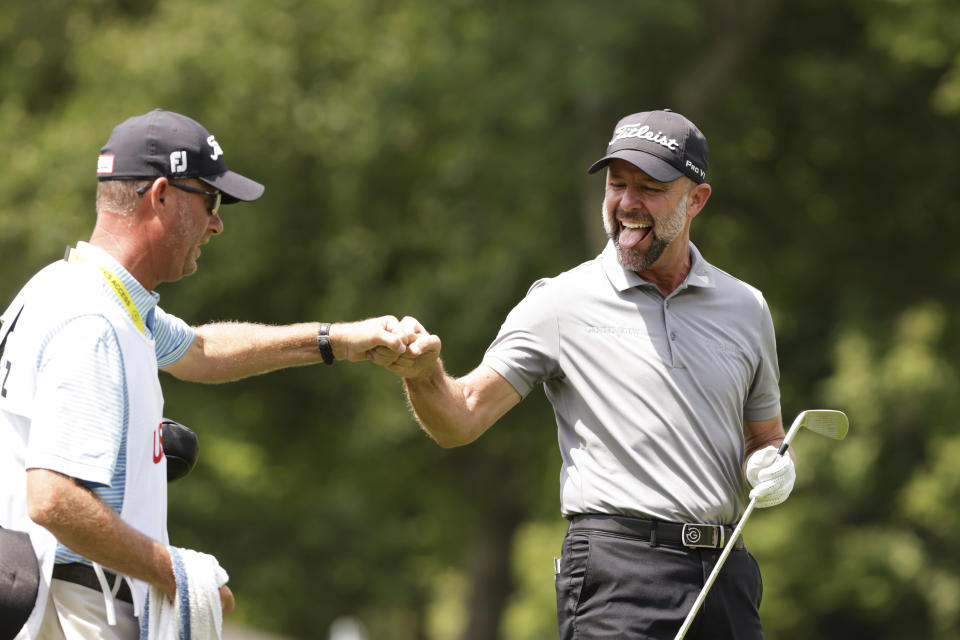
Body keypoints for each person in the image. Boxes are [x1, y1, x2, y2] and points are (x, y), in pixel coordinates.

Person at [384, 109, 797, 639]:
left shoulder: (746, 307)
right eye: (617, 184)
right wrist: (422, 373)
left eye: (649, 188)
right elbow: (460, 419)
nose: (627, 203)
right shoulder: (561, 302)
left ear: (696, 199)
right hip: (618, 572)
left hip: (726, 573)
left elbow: (765, 437)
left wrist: (771, 464)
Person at [0, 108, 412, 639]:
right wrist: (180, 575)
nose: (217, 223)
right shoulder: (93, 321)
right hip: (72, 608)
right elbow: (53, 498)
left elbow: (199, 349)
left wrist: (334, 340)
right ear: (162, 196)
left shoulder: (81, 292)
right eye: (211, 201)